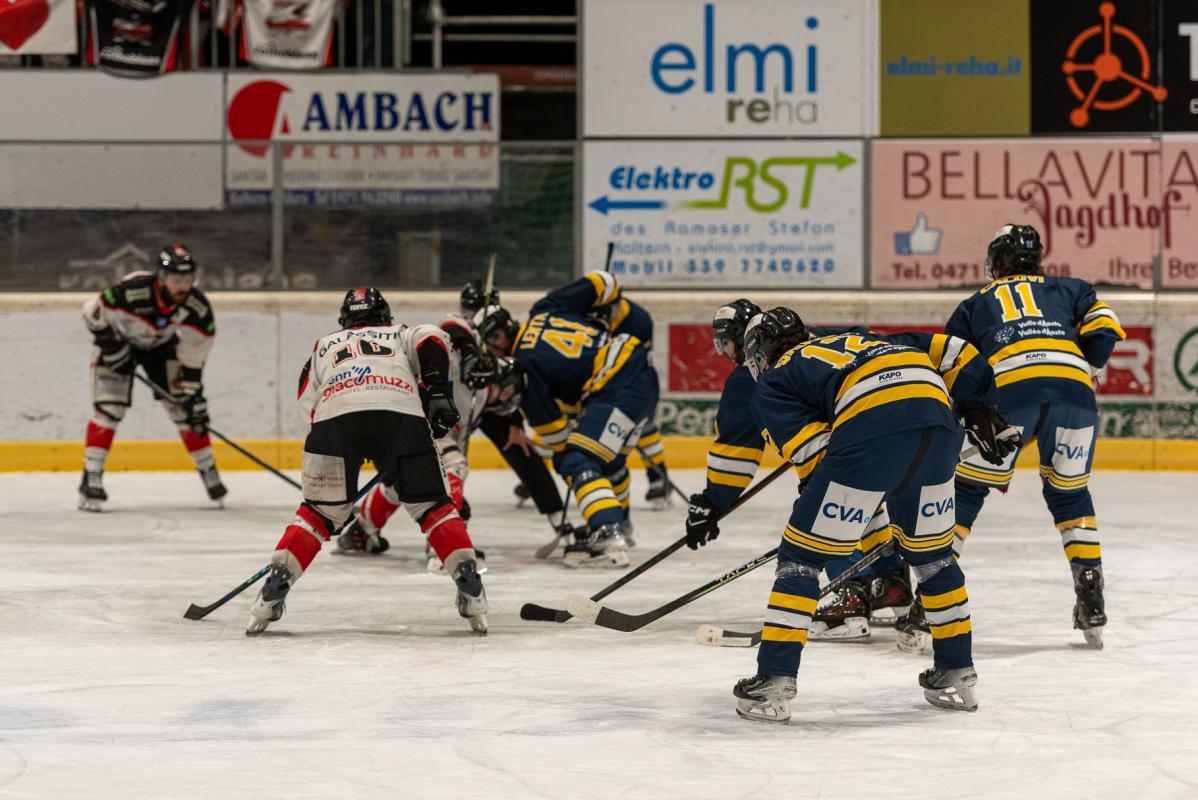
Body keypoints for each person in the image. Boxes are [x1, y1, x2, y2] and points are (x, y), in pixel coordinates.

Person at [731, 307, 1015, 724]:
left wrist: (821, 508)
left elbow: (817, 456)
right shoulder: (869, 338)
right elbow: (957, 351)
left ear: (760, 353)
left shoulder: (775, 381)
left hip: (870, 435)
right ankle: (956, 671)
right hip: (939, 430)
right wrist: (979, 405)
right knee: (935, 561)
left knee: (801, 561)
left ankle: (774, 678)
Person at [245, 288, 488, 635]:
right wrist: (437, 392)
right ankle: (468, 580)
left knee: (317, 514)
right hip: (400, 415)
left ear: (344, 321)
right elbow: (434, 337)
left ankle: (276, 585)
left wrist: (335, 489)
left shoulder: (323, 346)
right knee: (433, 507)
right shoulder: (400, 334)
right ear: (385, 317)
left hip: (334, 419)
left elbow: (307, 406)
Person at [683, 301, 911, 642]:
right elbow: (875, 341)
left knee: (826, 507)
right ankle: (890, 582)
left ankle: (850, 595)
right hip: (898, 421)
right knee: (863, 499)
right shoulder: (823, 337)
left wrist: (713, 501)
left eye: (726, 342)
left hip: (847, 447)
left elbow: (736, 452)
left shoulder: (750, 377)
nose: (725, 352)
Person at [946, 224, 1125, 649]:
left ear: (997, 261)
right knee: (1070, 495)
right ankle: (1091, 596)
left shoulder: (974, 304)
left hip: (1009, 392)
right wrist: (1082, 370)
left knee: (967, 490)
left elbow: (955, 366)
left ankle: (929, 601)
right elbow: (1105, 329)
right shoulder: (1073, 288)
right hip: (1074, 394)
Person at [477, 271, 656, 568]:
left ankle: (607, 532)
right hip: (641, 372)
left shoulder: (523, 368)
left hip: (615, 386)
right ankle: (619, 524)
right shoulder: (545, 307)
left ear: (498, 339)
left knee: (576, 459)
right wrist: (601, 313)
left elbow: (557, 437)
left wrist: (568, 451)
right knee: (608, 461)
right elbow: (604, 281)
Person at [78, 244, 225, 511]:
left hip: (160, 349)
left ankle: (208, 468)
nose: (183, 286)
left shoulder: (197, 307)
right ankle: (91, 476)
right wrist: (113, 348)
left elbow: (195, 351)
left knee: (186, 410)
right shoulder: (131, 292)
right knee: (109, 409)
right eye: (176, 280)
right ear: (162, 277)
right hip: (119, 343)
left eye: (188, 279)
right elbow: (91, 313)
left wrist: (192, 391)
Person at [587, 289, 670, 507]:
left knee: (643, 425)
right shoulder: (591, 311)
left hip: (635, 380)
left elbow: (636, 362)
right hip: (599, 378)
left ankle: (658, 477)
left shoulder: (638, 320)